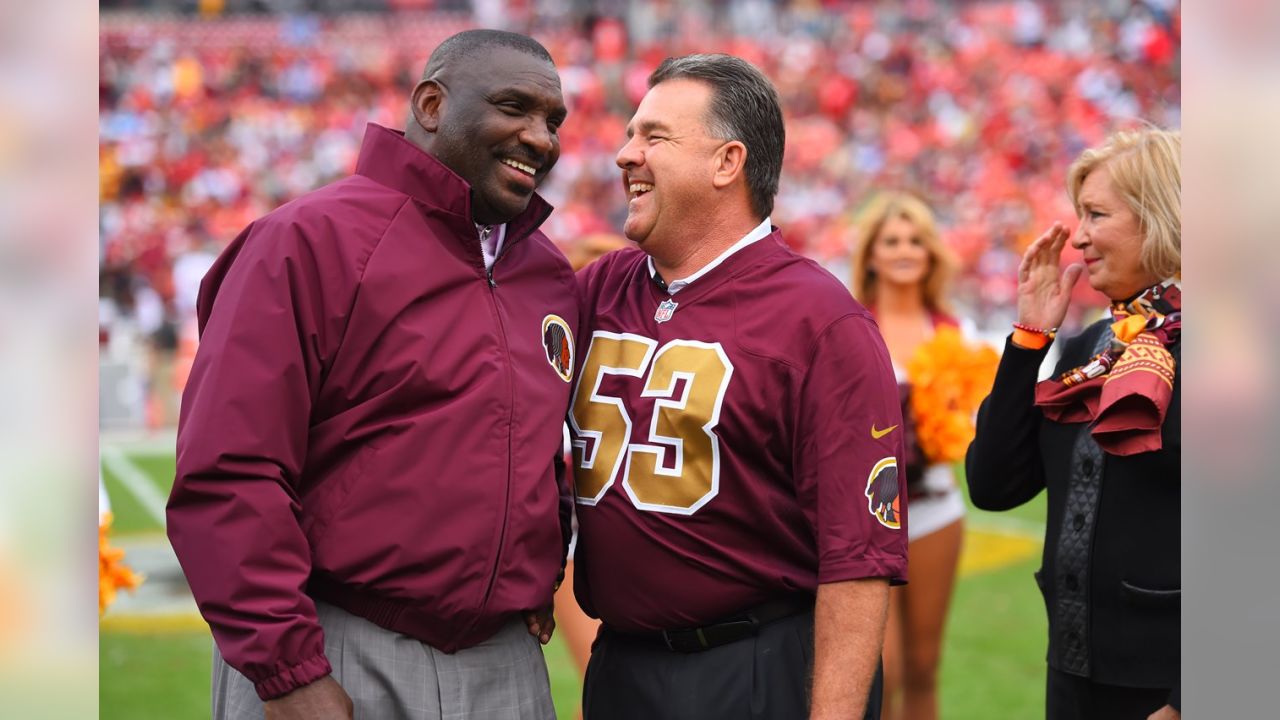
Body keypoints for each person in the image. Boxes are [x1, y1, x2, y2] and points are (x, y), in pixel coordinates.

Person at [166, 29, 577, 720]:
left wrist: (541, 559)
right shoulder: (305, 241)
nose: (540, 138)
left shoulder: (548, 274)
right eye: (515, 107)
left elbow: (541, 447)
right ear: (431, 103)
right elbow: (228, 468)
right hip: (339, 641)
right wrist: (288, 668)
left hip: (503, 659)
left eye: (554, 121)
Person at [569, 54, 907, 720]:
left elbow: (858, 557)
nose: (624, 155)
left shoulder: (821, 319)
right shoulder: (598, 288)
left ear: (727, 163)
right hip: (621, 666)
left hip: (756, 667)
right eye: (632, 133)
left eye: (654, 137)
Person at [966, 128, 1181, 720]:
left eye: (1096, 214)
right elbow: (994, 485)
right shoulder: (1093, 344)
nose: (1078, 236)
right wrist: (1029, 338)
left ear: (1159, 215)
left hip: (1168, 689)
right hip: (1073, 673)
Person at [849, 192, 964, 720]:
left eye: (916, 240)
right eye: (891, 240)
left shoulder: (952, 331)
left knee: (922, 666)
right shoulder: (850, 323)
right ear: (871, 254)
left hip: (936, 507)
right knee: (880, 668)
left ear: (930, 253)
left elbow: (968, 427)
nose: (904, 250)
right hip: (866, 514)